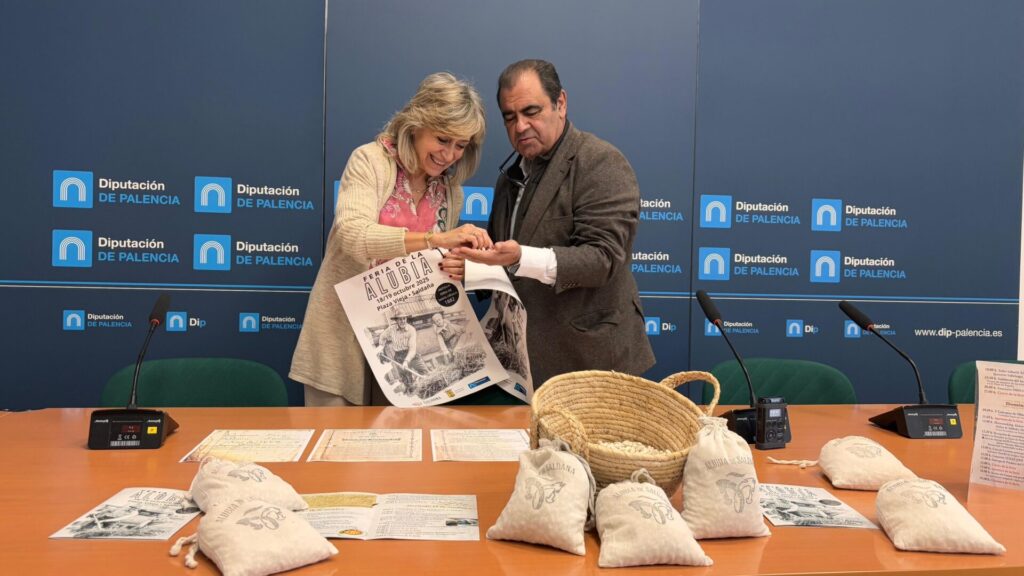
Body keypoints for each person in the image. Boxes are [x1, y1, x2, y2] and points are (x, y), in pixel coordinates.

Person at [290, 72, 491, 406]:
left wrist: (459, 262)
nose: (451, 154)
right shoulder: (370, 160)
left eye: (461, 145)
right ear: (415, 125)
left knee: (398, 451)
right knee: (332, 451)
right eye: (443, 139)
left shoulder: (449, 190)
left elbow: (430, 270)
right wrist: (436, 238)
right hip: (341, 337)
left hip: (404, 337)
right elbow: (353, 234)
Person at [456, 59, 655, 387]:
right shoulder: (510, 177)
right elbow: (502, 260)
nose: (520, 127)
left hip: (593, 364)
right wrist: (468, 266)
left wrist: (522, 256)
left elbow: (602, 259)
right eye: (510, 117)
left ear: (560, 103)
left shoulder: (600, 162)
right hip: (523, 366)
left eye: (531, 112)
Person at [377, 313, 425, 386]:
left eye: (404, 318)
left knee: (424, 371)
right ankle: (410, 390)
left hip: (411, 354)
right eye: (400, 319)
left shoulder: (411, 330)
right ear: (396, 320)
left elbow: (412, 349)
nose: (403, 321)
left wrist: (406, 361)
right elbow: (382, 337)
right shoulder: (391, 329)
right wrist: (381, 348)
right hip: (399, 356)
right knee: (406, 380)